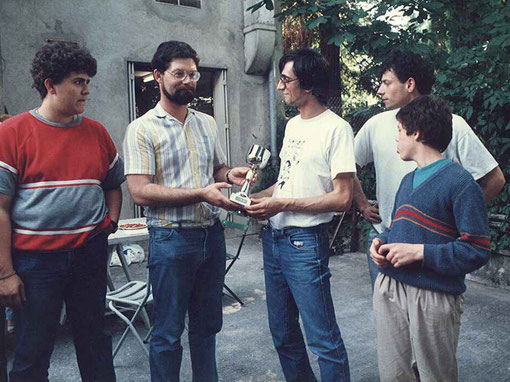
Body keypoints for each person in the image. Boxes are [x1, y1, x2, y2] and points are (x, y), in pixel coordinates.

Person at [123, 40, 250, 382]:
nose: (188, 80)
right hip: (171, 239)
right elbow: (140, 190)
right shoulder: (142, 129)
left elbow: (217, 170)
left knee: (207, 328)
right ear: (158, 76)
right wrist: (202, 193)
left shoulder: (206, 123)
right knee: (167, 333)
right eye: (178, 73)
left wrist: (229, 174)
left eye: (192, 74)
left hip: (211, 236)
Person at [0, 41, 123, 382]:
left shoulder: (97, 132)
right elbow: (0, 209)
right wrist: (6, 273)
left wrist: (110, 223)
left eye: (88, 82)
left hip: (88, 256)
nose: (87, 90)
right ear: (50, 85)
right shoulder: (11, 134)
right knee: (31, 353)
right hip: (35, 264)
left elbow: (114, 182)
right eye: (78, 81)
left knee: (95, 347)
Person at [353, 49, 505, 288]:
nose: (380, 90)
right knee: (388, 316)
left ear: (410, 84)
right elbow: (346, 169)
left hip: (434, 245)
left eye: (386, 82)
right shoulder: (376, 124)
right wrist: (362, 204)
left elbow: (494, 179)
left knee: (433, 316)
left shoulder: (454, 125)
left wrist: (458, 219)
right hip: (385, 241)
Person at [245, 48, 353, 382]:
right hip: (274, 240)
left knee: (323, 339)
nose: (280, 86)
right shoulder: (292, 126)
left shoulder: (336, 129)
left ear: (307, 85)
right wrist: (251, 197)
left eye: (286, 80)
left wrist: (281, 205)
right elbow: (288, 183)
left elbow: (342, 198)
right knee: (283, 335)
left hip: (304, 244)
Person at [370, 95, 490, 381]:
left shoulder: (460, 183)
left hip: (434, 296)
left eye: (399, 131)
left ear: (417, 132)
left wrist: (421, 252)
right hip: (390, 288)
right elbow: (396, 231)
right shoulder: (406, 181)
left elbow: (477, 249)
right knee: (394, 375)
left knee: (435, 376)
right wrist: (379, 244)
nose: (396, 139)